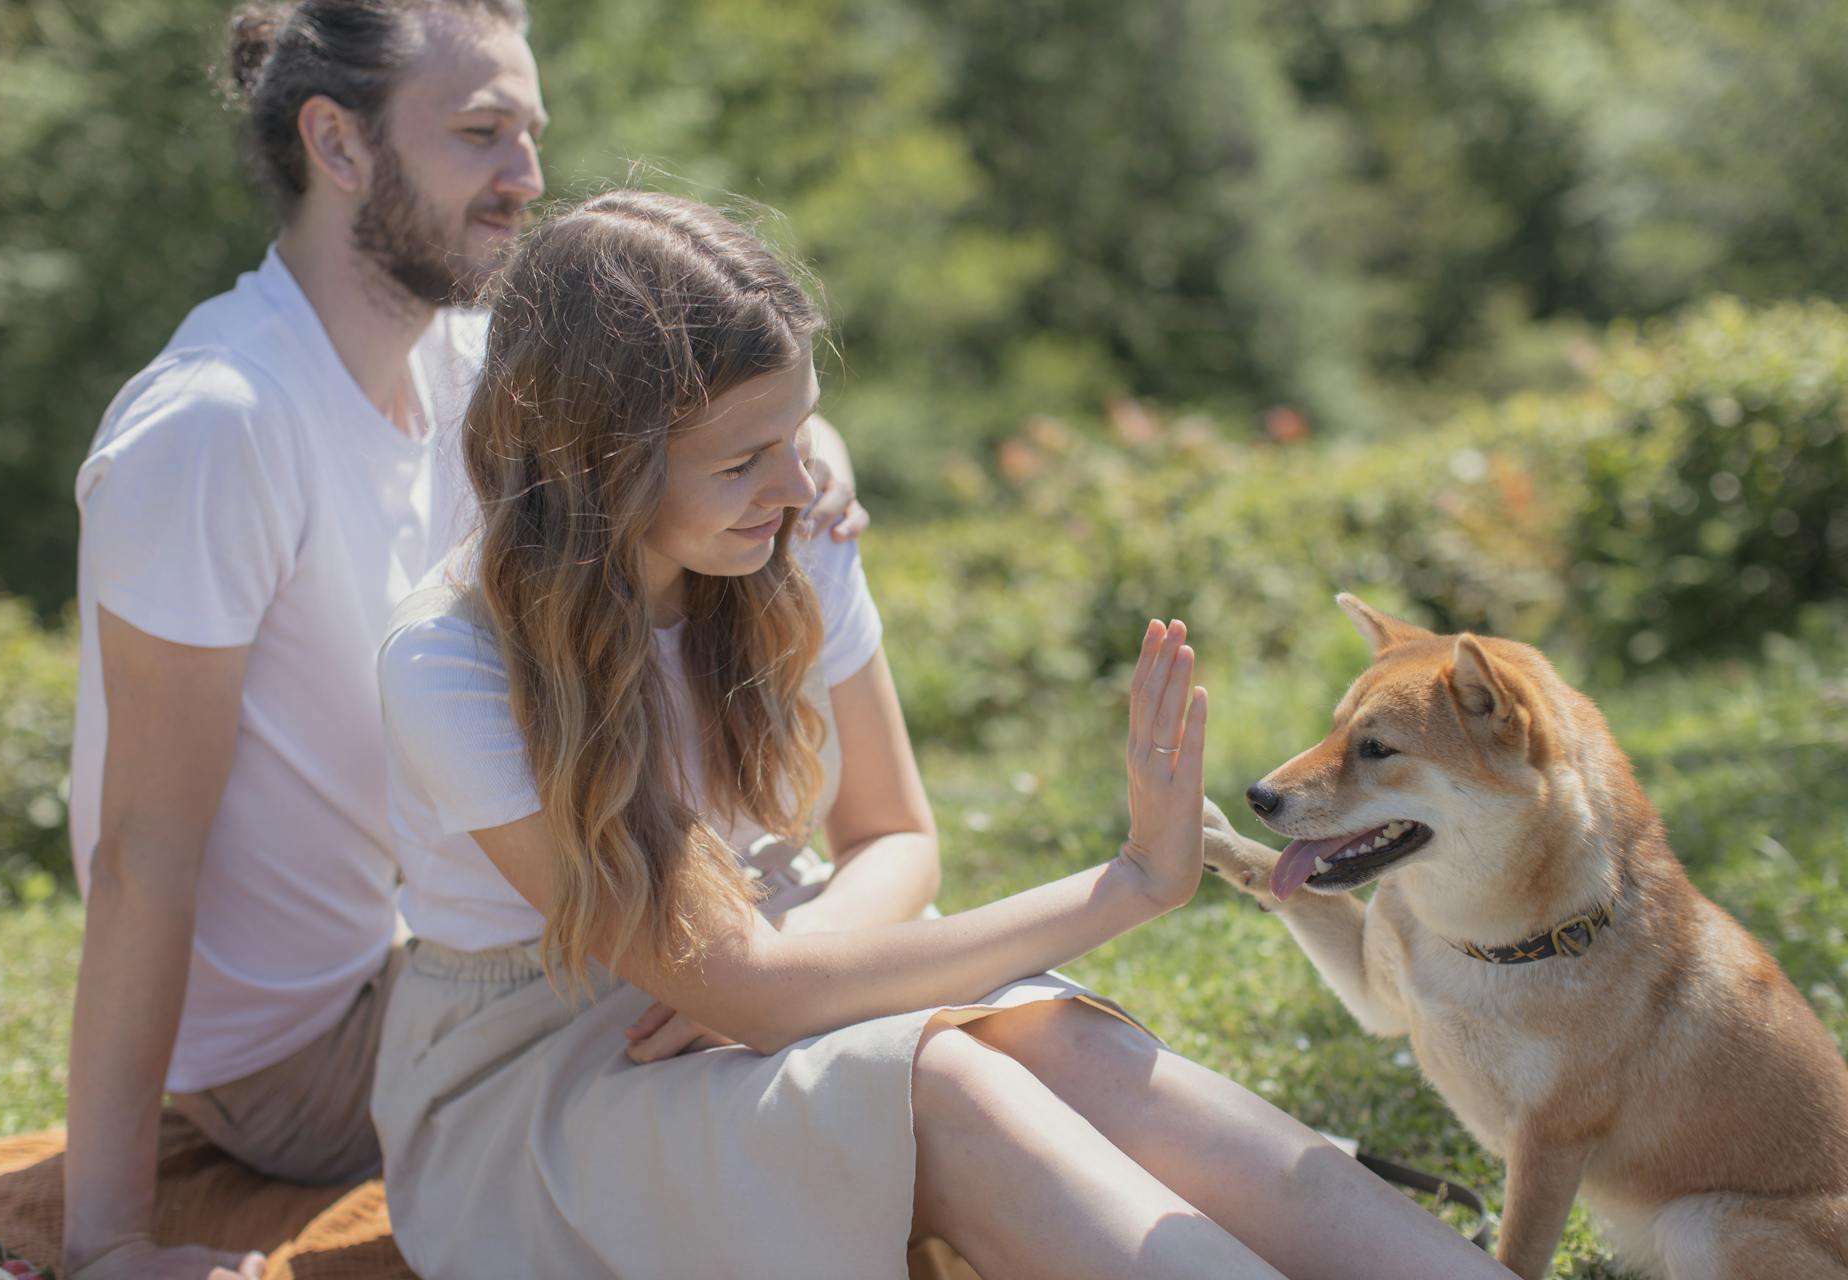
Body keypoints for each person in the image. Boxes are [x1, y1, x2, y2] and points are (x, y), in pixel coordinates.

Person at [369, 191, 1513, 1280]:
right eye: (742, 460)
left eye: (802, 429)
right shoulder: (452, 663)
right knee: (941, 1081)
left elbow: (892, 835)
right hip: (549, 1071)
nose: (799, 480)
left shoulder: (788, 535)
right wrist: (1126, 884)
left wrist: (789, 957)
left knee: (1048, 1038)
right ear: (601, 469)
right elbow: (753, 995)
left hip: (776, 955)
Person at [60, 6, 864, 1279]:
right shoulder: (215, 425)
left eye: (530, 132)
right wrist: (108, 1240)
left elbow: (709, 410)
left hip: (463, 932)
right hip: (312, 1040)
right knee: (796, 1006)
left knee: (819, 981)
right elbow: (141, 850)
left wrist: (807, 449)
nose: (528, 179)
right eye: (481, 133)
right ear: (338, 142)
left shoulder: (471, 369)